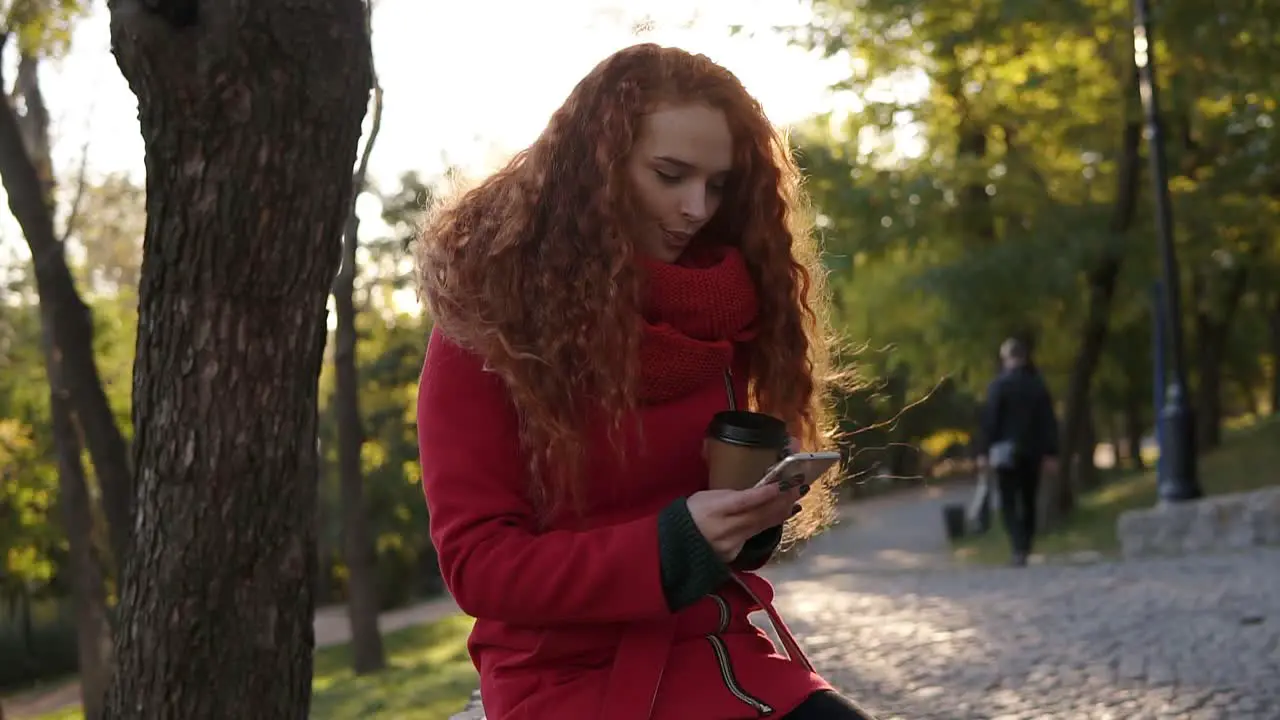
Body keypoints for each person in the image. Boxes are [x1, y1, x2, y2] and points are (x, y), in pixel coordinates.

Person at [415, 44, 875, 719]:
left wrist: (750, 517)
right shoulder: (487, 324)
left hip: (716, 650)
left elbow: (706, 511)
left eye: (718, 184)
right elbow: (479, 565)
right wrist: (672, 545)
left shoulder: (726, 305)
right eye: (670, 175)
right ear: (594, 171)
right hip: (565, 678)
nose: (697, 208)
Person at [977, 338, 1060, 567]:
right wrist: (1051, 453)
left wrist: (983, 452)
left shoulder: (999, 386)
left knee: (1008, 500)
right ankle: (1026, 544)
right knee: (1029, 499)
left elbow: (990, 421)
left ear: (1005, 358)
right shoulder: (1038, 385)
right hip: (1033, 452)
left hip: (1006, 454)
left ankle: (1017, 546)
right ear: (1024, 357)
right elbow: (1048, 421)